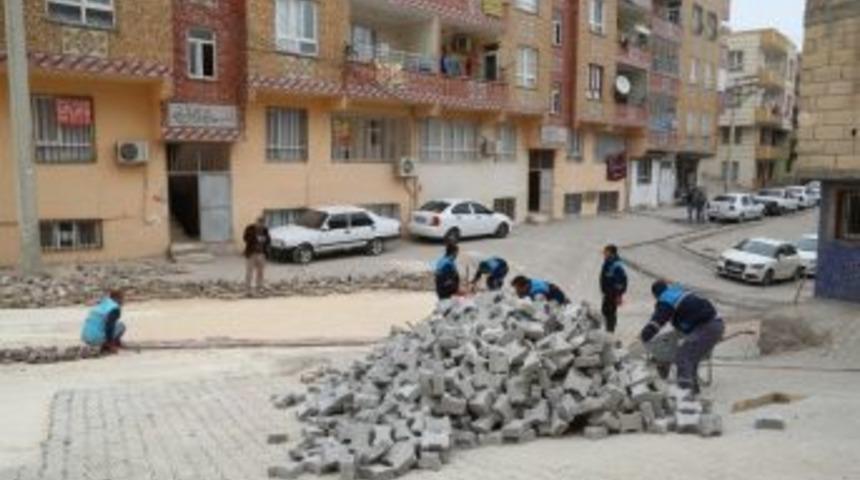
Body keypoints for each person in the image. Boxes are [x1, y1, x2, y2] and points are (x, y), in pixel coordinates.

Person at [640, 280, 725, 395]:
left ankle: (685, 397)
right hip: (714, 324)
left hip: (706, 327)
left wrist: (643, 337)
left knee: (683, 358)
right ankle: (693, 392)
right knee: (691, 358)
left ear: (655, 295)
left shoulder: (666, 301)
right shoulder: (676, 293)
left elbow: (657, 322)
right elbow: (683, 321)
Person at [600, 244, 627, 333]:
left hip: (613, 293)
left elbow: (621, 281)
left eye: (606, 251)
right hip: (608, 293)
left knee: (610, 312)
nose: (604, 253)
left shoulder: (616, 265)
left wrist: (619, 295)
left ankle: (610, 331)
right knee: (605, 311)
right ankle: (608, 329)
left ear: (612, 253)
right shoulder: (608, 262)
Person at [243, 216, 271, 292]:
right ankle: (247, 287)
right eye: (259, 222)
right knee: (249, 271)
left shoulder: (265, 230)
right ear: (256, 222)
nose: (261, 224)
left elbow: (269, 240)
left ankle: (259, 286)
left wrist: (265, 239)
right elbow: (245, 239)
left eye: (262, 223)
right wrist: (254, 237)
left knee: (260, 272)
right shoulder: (250, 228)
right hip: (251, 253)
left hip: (261, 254)